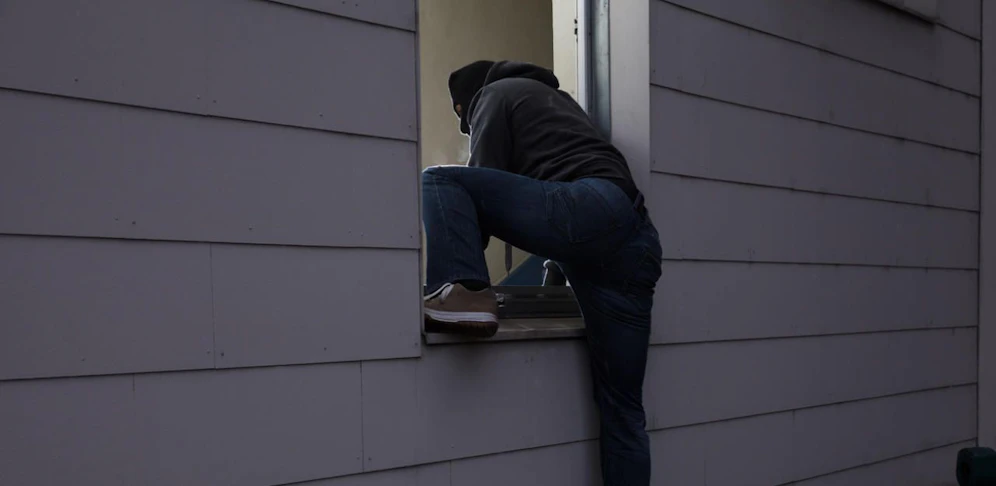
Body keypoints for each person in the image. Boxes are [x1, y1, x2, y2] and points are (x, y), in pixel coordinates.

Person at [422, 60, 662, 485]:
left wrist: (461, 268)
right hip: (635, 241)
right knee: (623, 411)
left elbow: (479, 184)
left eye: (464, 119)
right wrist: (552, 279)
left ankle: (462, 292)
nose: (467, 126)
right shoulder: (558, 103)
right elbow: (559, 193)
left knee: (440, 181)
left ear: (468, 101)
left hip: (589, 211)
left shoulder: (495, 95)